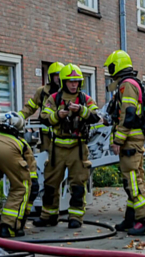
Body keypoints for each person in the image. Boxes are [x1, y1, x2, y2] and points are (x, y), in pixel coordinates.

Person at [34, 64, 100, 229]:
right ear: (63, 82)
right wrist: (57, 115)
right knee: (50, 183)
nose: (73, 85)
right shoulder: (54, 98)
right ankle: (48, 216)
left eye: (76, 81)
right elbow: (43, 117)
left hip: (78, 149)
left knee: (78, 184)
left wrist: (81, 110)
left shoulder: (85, 99)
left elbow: (95, 116)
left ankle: (75, 217)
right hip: (57, 149)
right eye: (70, 81)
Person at [104, 50, 145, 236]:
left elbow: (129, 115)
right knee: (134, 179)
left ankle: (144, 221)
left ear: (116, 66)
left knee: (132, 181)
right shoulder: (129, 84)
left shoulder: (127, 86)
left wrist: (118, 140)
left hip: (129, 141)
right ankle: (132, 218)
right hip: (133, 140)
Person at [20, 62, 64, 217]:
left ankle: (57, 201)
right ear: (51, 77)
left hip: (63, 136)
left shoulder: (67, 93)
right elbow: (30, 107)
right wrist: (20, 117)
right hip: (46, 137)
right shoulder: (42, 92)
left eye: (61, 75)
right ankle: (46, 201)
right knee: (47, 166)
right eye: (56, 75)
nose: (59, 78)